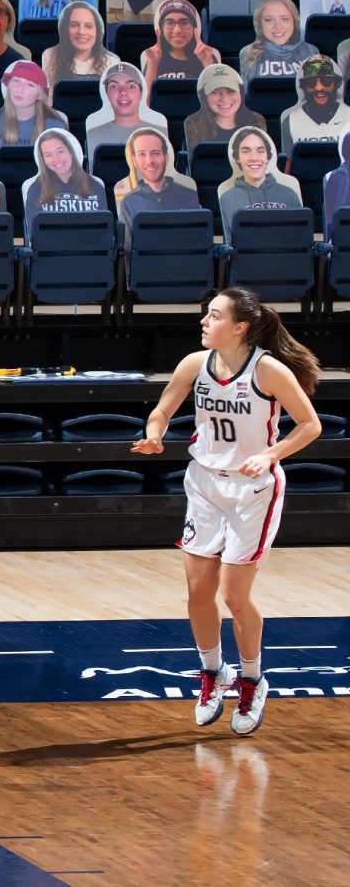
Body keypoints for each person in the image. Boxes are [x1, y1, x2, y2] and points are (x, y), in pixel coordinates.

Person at [131, 289, 322, 736]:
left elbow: (310, 425)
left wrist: (271, 454)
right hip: (204, 483)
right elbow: (161, 410)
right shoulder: (194, 365)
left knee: (235, 597)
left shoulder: (268, 370)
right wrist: (155, 435)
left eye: (214, 316)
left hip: (253, 489)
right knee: (198, 594)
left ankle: (253, 678)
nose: (204, 321)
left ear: (239, 327)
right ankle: (213, 673)